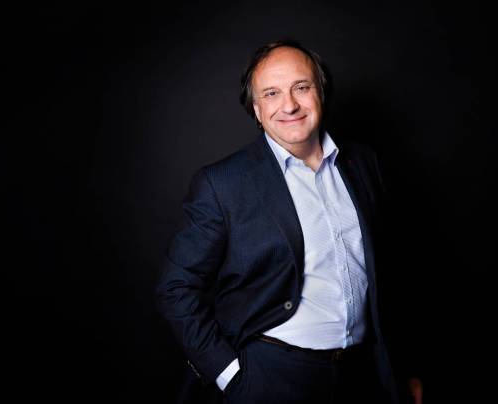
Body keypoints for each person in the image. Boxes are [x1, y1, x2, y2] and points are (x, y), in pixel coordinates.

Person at [155, 39, 422, 404]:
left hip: (364, 376)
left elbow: (392, 271)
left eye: (301, 87)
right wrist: (230, 375)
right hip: (272, 377)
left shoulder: (363, 163)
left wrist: (403, 369)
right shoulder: (222, 183)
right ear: (256, 108)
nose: (290, 105)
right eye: (272, 93)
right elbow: (176, 288)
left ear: (320, 92)